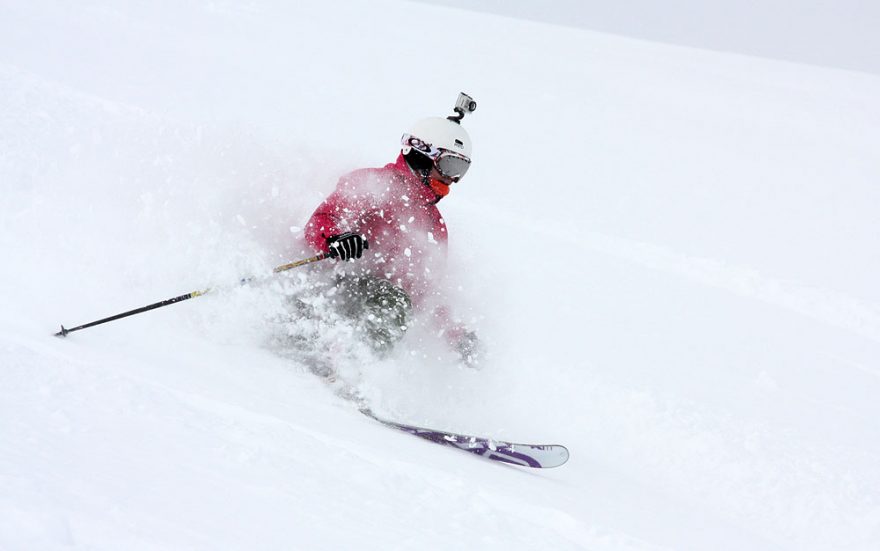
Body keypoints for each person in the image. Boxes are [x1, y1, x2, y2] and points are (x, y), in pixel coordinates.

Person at [302, 94, 480, 366]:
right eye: (450, 165)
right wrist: (335, 239)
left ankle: (362, 371)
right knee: (392, 300)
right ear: (422, 154)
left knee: (396, 301)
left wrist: (454, 335)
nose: (452, 178)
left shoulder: (434, 227)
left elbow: (425, 293)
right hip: (328, 289)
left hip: (369, 311)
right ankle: (351, 367)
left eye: (461, 169)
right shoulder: (375, 184)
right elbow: (320, 221)